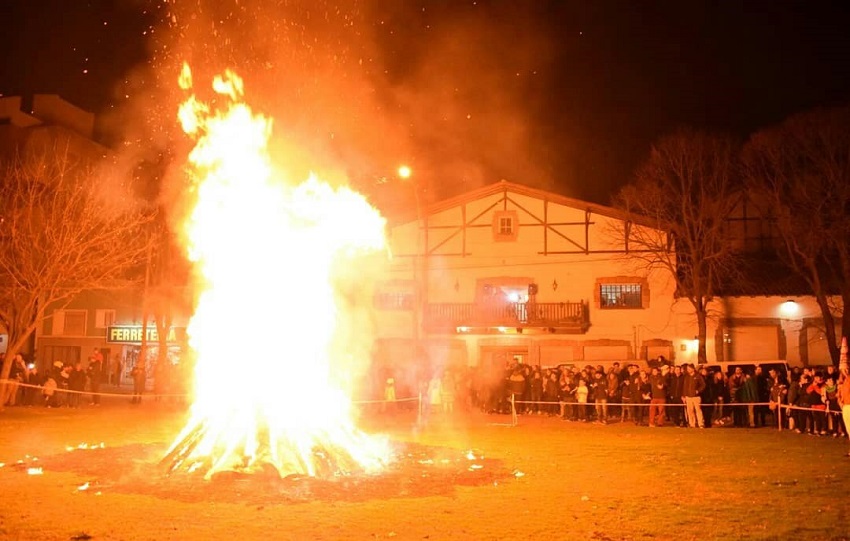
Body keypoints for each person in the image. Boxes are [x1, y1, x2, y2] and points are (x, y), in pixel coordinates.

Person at [682, 364, 706, 428]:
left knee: (698, 410)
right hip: (688, 397)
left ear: (693, 368)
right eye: (687, 368)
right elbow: (685, 387)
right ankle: (692, 424)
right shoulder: (686, 377)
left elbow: (703, 385)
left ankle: (700, 423)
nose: (688, 370)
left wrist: (698, 391)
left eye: (689, 368)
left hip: (696, 397)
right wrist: (684, 396)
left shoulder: (698, 376)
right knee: (690, 411)